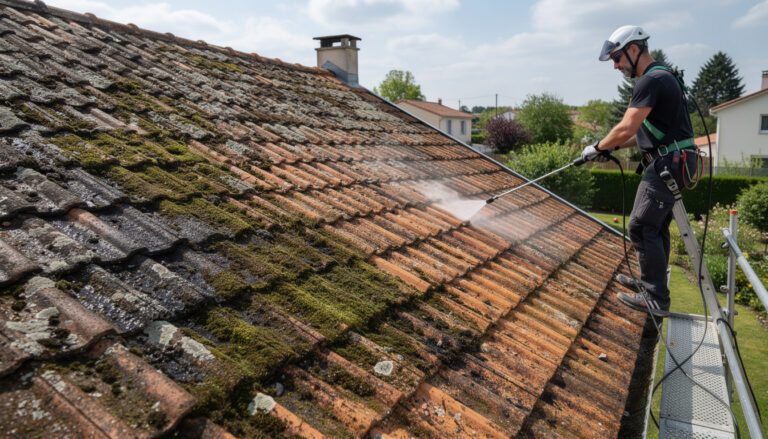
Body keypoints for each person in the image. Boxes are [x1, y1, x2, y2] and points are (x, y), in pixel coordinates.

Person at [581, 25, 698, 317]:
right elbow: (643, 132)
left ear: (634, 49)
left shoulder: (650, 81)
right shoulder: (664, 76)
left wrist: (596, 146)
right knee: (655, 227)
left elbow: (626, 127)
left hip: (667, 164)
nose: (616, 66)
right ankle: (651, 284)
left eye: (617, 58)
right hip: (677, 159)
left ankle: (655, 299)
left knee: (641, 226)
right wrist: (611, 148)